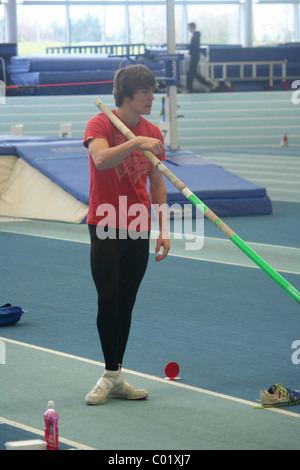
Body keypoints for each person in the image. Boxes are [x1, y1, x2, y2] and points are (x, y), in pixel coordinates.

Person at [83, 64, 170, 406]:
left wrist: (164, 228)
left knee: (127, 302)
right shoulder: (100, 123)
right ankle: (108, 373)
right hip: (105, 220)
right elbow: (102, 159)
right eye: (146, 91)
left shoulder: (152, 131)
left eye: (153, 90)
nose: (152, 96)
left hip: (138, 223)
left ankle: (116, 375)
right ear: (128, 95)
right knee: (108, 296)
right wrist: (135, 142)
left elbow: (158, 183)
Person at [186, 22, 213, 93]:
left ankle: (190, 89)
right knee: (192, 73)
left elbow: (194, 46)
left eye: (189, 28)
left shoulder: (196, 36)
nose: (188, 29)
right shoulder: (195, 35)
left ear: (192, 27)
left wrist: (186, 46)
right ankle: (207, 84)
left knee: (191, 72)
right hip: (194, 55)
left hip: (195, 56)